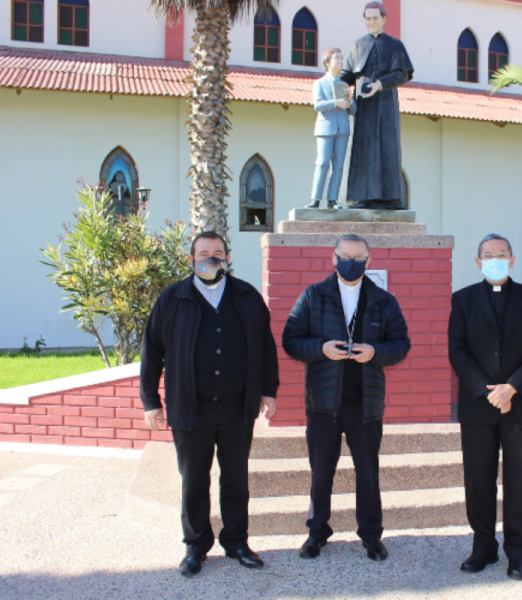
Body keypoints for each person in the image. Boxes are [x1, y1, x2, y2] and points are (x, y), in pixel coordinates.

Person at [140, 231, 280, 578]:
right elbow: (151, 352)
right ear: (191, 259)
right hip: (191, 409)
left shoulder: (247, 297)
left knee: (236, 479)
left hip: (237, 408)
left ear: (227, 258)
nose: (211, 258)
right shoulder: (172, 299)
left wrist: (269, 390)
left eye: (218, 253)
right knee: (194, 480)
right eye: (204, 253)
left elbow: (265, 347)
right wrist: (150, 401)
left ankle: (236, 542)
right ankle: (195, 547)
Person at [282, 233, 411, 561]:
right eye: (345, 256)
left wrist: (375, 353)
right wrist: (320, 349)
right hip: (323, 403)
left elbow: (401, 345)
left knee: (367, 472)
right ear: (333, 258)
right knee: (321, 471)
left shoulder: (384, 300)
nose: (351, 263)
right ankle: (316, 533)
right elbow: (291, 339)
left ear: (369, 262)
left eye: (358, 257)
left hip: (365, 405)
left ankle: (371, 536)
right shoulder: (313, 296)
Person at [448, 233, 522, 581]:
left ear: (512, 260)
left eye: (501, 254)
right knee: (479, 480)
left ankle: (517, 552)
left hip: (519, 404)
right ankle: (483, 548)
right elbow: (457, 352)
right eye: (488, 255)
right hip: (478, 405)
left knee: (519, 481)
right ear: (478, 263)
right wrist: (488, 391)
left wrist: (512, 389)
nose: (495, 259)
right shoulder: (462, 300)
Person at [339, 1, 414, 210]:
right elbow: (347, 75)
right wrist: (339, 87)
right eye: (368, 18)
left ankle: (389, 198)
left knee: (387, 147)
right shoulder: (356, 45)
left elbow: (402, 73)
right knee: (361, 147)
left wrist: (380, 84)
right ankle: (359, 197)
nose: (371, 22)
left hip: (386, 103)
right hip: (362, 105)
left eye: (375, 18)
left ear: (384, 19)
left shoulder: (395, 45)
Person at [307, 47, 357, 209]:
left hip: (342, 128)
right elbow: (317, 105)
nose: (340, 61)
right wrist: (336, 103)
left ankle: (332, 200)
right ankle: (315, 199)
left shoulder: (344, 85)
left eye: (342, 58)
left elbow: (353, 110)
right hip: (325, 128)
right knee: (322, 163)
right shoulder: (320, 83)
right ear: (327, 62)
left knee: (338, 166)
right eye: (337, 58)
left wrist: (350, 99)